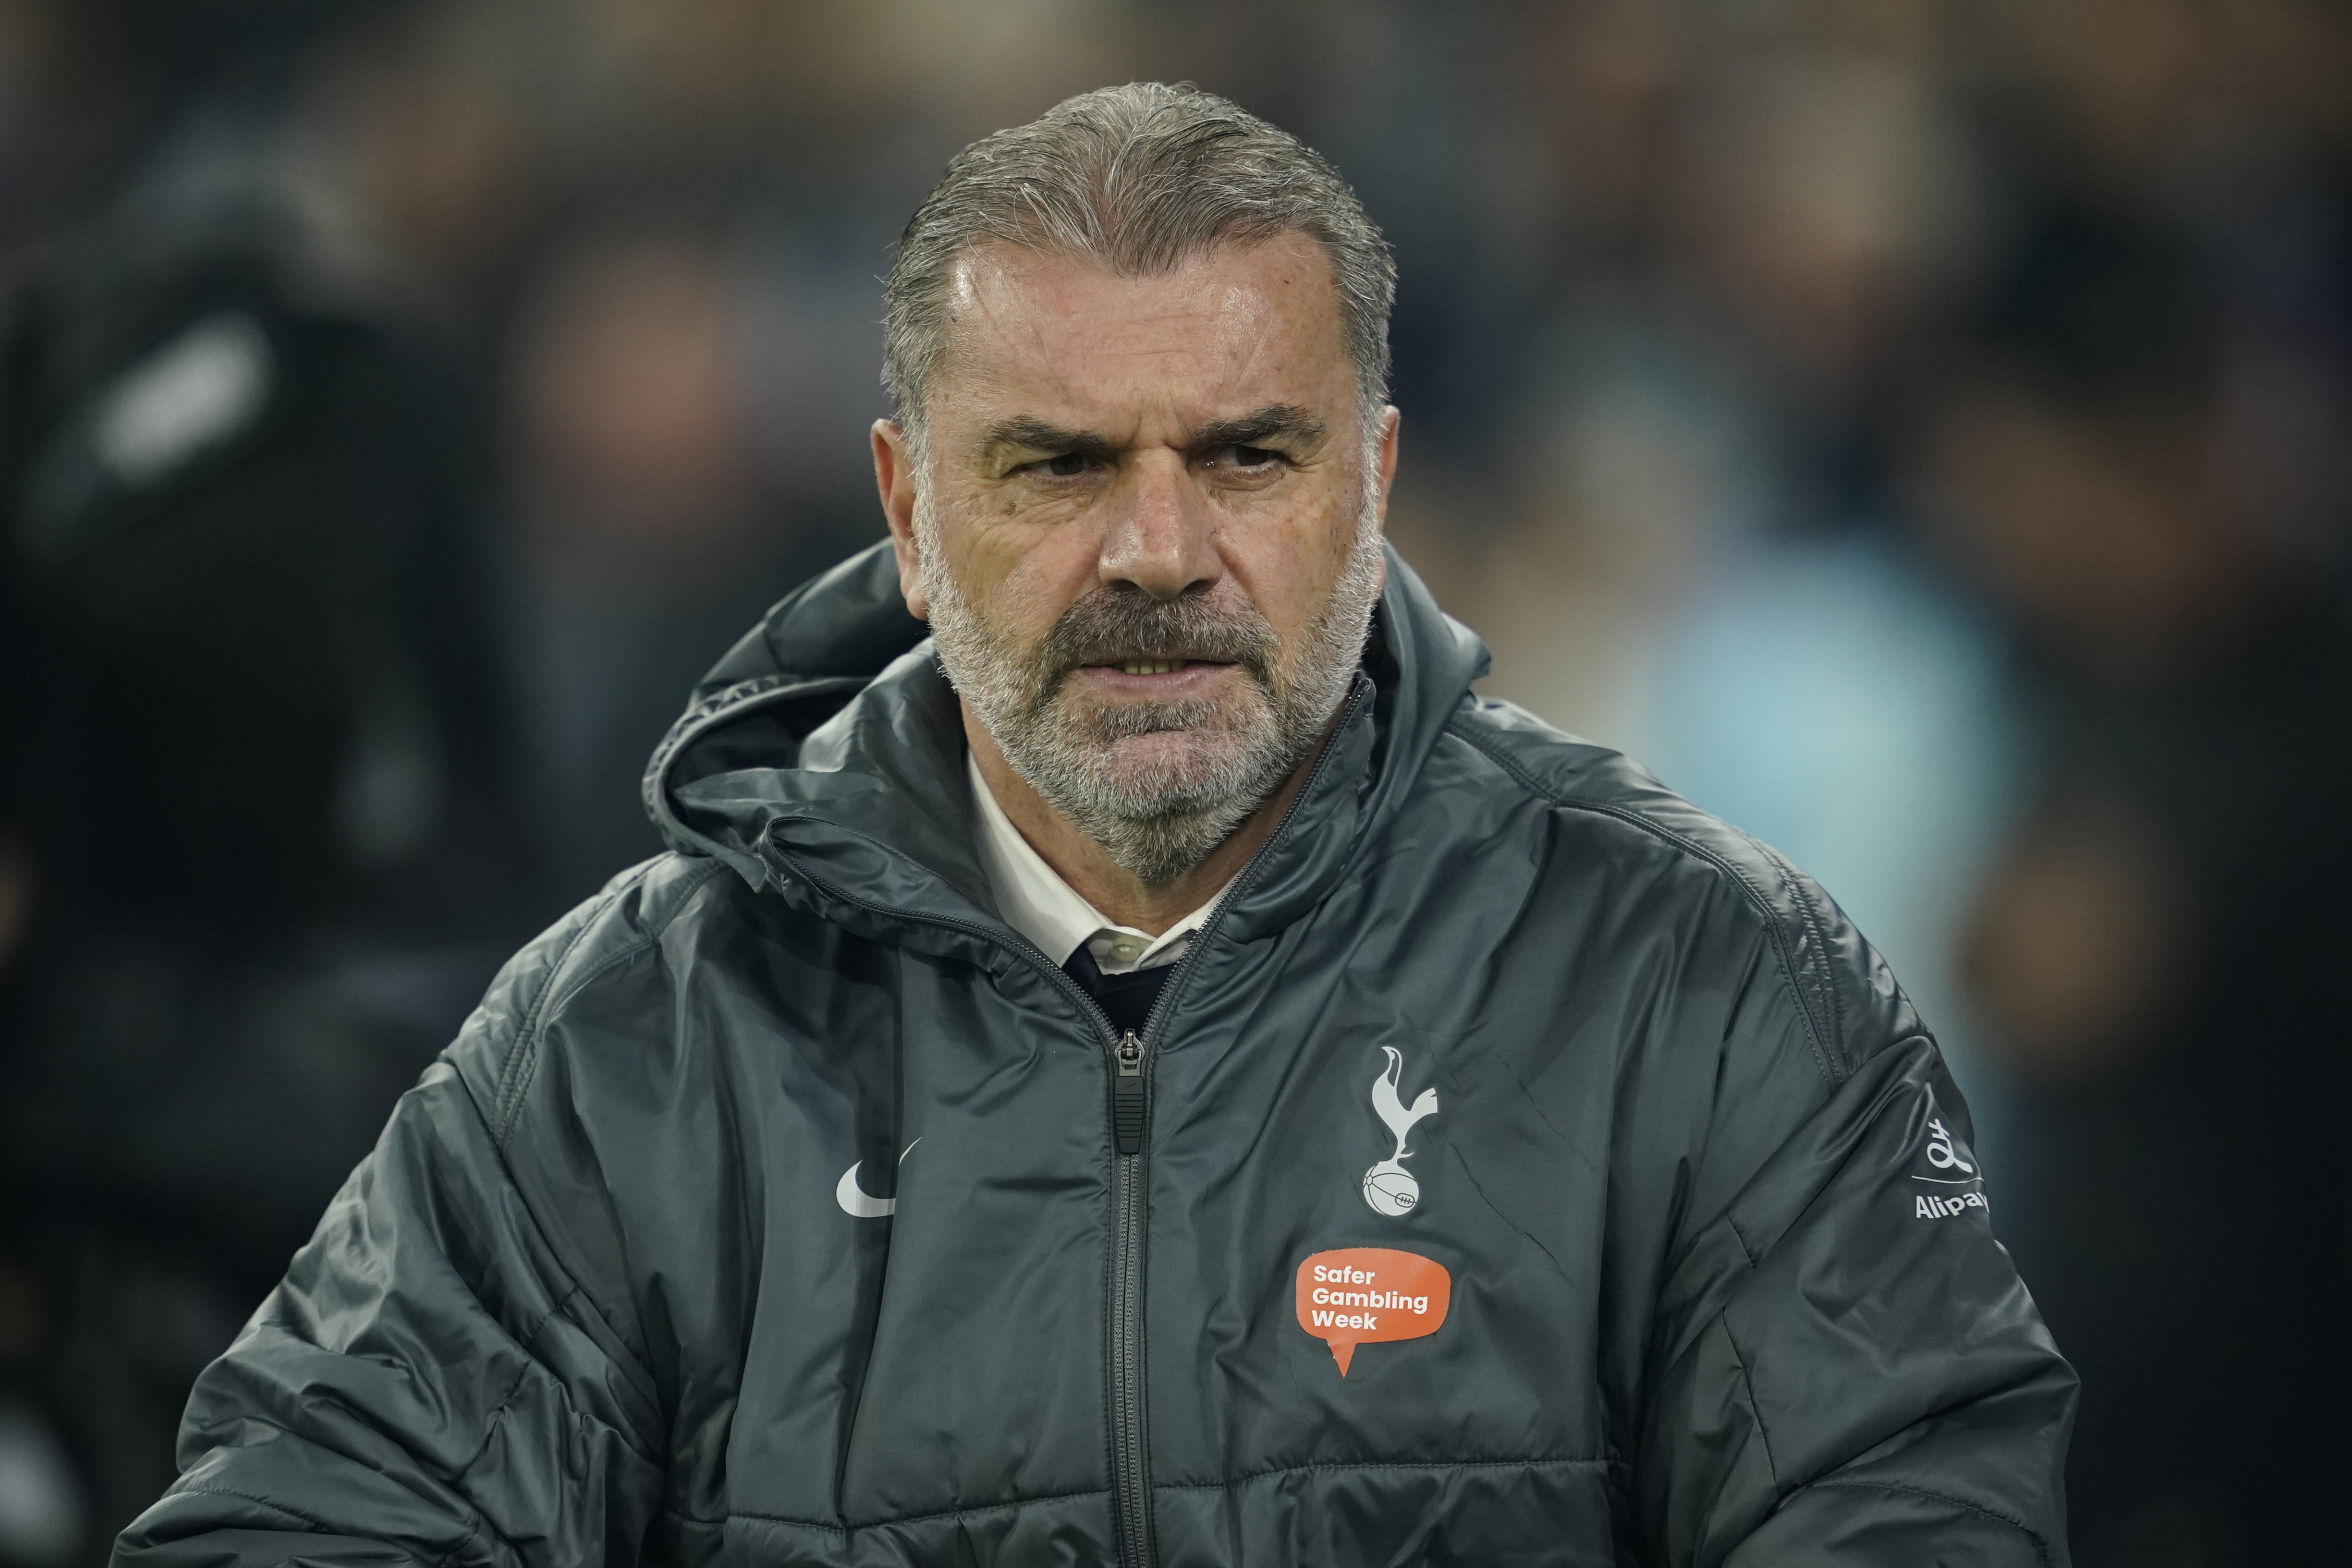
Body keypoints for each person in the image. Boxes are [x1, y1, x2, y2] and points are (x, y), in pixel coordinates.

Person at [113, 84, 2074, 1568]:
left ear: (1373, 485)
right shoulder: (630, 1042)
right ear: (906, 510)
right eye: (1054, 466)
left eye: (1247, 455)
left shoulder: (1707, 989)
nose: (1156, 550)